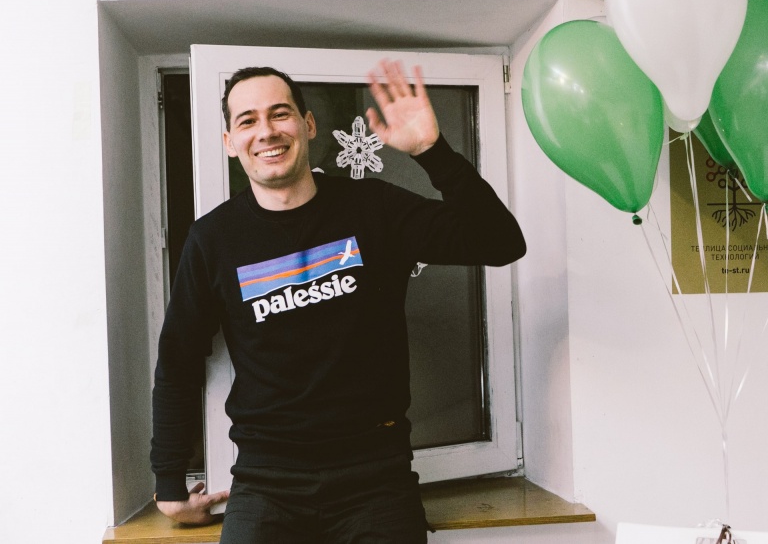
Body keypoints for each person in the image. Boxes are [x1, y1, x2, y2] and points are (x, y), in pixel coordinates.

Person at [150, 60, 526, 543]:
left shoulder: (374, 208)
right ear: (229, 141)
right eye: (247, 121)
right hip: (267, 482)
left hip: (376, 478)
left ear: (308, 125)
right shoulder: (212, 240)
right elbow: (178, 360)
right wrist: (169, 483)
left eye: (280, 114)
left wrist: (432, 152)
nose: (266, 131)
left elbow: (500, 242)